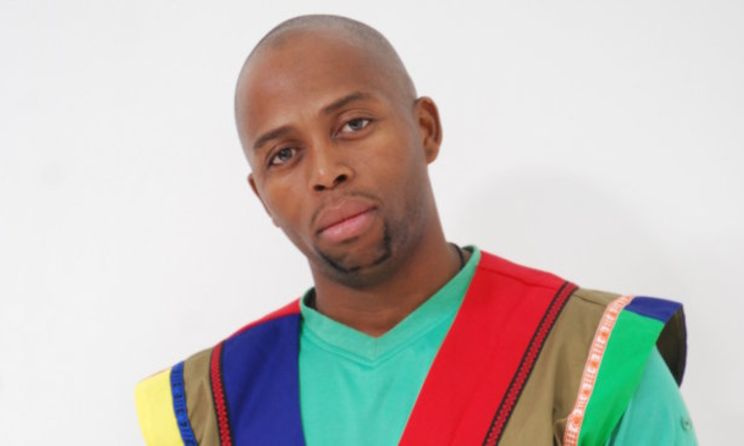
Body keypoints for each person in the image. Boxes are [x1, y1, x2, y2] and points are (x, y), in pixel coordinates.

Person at [134, 14, 697, 445]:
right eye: (283, 155)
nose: (326, 172)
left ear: (425, 129)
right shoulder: (208, 410)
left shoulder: (589, 360)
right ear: (262, 196)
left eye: (353, 124)